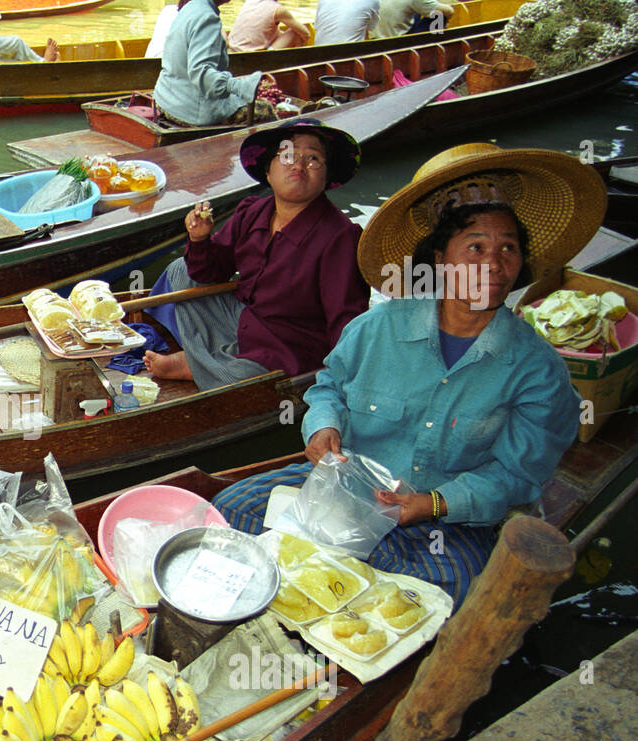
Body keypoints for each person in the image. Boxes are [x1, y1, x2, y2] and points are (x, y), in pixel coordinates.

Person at [209, 143, 603, 606]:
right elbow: (329, 387)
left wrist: (433, 504)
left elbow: (517, 475)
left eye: (508, 249)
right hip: (345, 489)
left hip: (443, 520)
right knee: (229, 510)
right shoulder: (379, 327)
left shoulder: (538, 370)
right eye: (475, 247)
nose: (494, 265)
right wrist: (323, 427)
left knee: (442, 595)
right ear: (440, 258)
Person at [143, 118, 368, 388]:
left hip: (288, 345)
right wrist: (200, 238)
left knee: (244, 379)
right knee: (181, 269)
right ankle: (211, 359)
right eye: (288, 155)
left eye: (314, 159)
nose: (298, 165)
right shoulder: (253, 211)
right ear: (269, 172)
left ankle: (197, 363)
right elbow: (211, 273)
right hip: (242, 319)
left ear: (326, 178)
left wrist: (342, 376)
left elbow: (346, 317)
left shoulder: (340, 236)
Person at [152, 0, 265, 127]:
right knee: (266, 109)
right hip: (190, 111)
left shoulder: (190, 6)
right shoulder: (207, 18)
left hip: (164, 99)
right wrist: (239, 85)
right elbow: (201, 73)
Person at [228, 0, 311, 51]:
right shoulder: (279, 10)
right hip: (252, 55)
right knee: (295, 32)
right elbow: (306, 34)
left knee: (281, 33)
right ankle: (296, 62)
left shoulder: (250, 1)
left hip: (231, 49)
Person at [313, 0, 379, 44]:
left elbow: (317, 27)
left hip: (319, 55)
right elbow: (370, 31)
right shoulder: (372, 1)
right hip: (348, 58)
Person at [376, 0, 453, 37]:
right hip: (399, 41)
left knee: (420, 9)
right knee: (440, 15)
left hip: (378, 37)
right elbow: (449, 11)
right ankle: (433, 45)